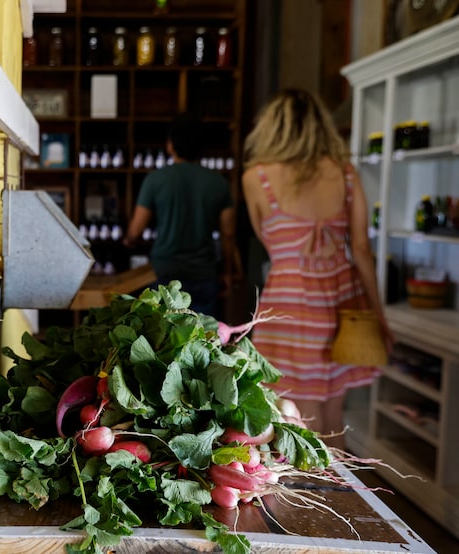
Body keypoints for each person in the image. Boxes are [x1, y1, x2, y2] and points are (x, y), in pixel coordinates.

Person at [241, 88, 394, 449]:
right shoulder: (344, 172)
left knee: (294, 419)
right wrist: (378, 314)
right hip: (342, 300)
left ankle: (303, 504)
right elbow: (361, 249)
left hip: (289, 304)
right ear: (320, 126)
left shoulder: (256, 177)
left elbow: (269, 243)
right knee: (332, 415)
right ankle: (342, 497)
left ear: (272, 128)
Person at [124, 113, 236, 318]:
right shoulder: (219, 182)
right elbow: (228, 233)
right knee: (204, 340)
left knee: (163, 339)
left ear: (170, 145)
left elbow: (136, 228)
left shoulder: (155, 180)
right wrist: (227, 272)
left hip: (165, 271)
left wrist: (130, 240)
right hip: (204, 272)